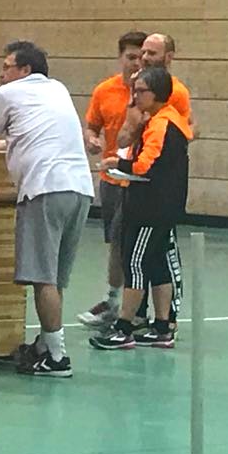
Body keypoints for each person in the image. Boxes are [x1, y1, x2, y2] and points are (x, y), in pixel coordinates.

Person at [0, 41, 94, 378]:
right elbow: (32, 134)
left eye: (7, 66)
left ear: (25, 70)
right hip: (79, 189)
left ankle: (57, 356)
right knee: (54, 278)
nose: (1, 74)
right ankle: (45, 343)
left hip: (44, 188)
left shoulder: (8, 94)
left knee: (42, 278)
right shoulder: (58, 89)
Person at [89, 65, 191, 351]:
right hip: (162, 206)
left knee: (135, 263)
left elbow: (146, 165)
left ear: (156, 93)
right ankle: (162, 327)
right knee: (157, 265)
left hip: (150, 208)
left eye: (141, 91)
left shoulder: (161, 124)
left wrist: (117, 164)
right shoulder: (165, 120)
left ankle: (124, 329)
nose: (135, 96)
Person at [78, 30, 147, 328]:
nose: (136, 63)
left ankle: (135, 307)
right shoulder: (104, 91)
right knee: (116, 243)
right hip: (111, 178)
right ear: (120, 58)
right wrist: (91, 140)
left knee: (134, 244)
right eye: (131, 57)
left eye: (142, 57)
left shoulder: (157, 93)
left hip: (141, 180)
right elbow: (91, 126)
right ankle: (114, 300)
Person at [130, 31, 195, 326]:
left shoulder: (173, 98)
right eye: (142, 52)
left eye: (152, 53)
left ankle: (164, 318)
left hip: (158, 194)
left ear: (168, 57)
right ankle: (145, 315)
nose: (144, 58)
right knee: (143, 256)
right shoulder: (135, 91)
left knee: (159, 255)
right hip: (140, 190)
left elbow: (179, 135)